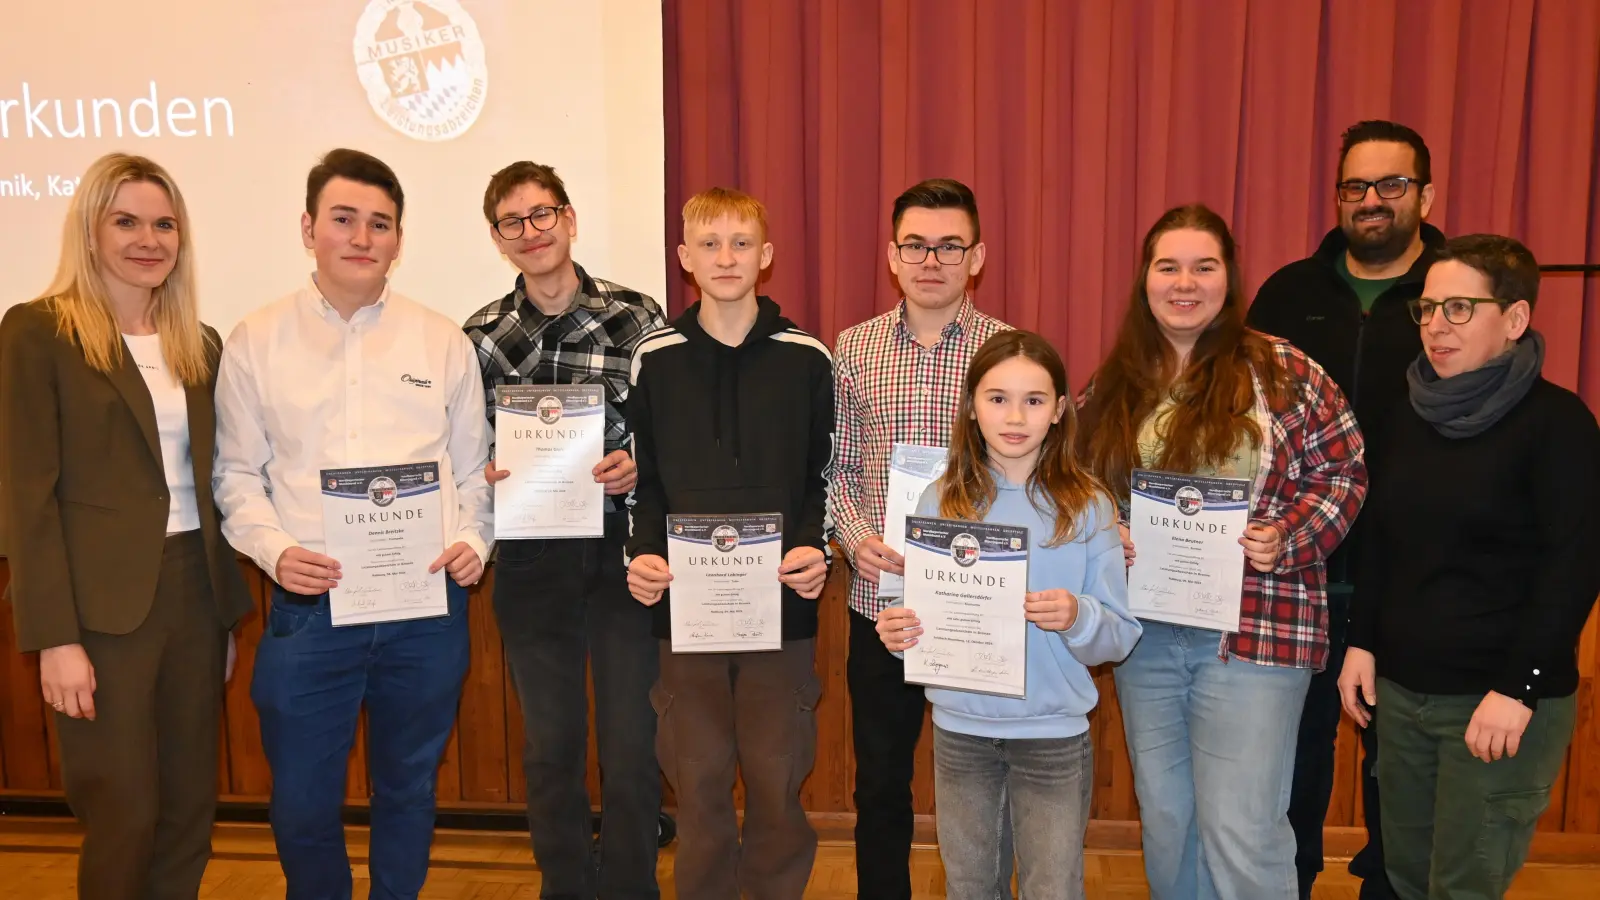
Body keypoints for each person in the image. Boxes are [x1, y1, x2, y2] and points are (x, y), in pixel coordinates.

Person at [213, 148, 492, 900]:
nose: (362, 237)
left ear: (399, 239)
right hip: (311, 612)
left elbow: (473, 472)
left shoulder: (441, 340)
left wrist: (473, 539)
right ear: (308, 229)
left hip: (424, 611)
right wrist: (276, 553)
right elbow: (235, 477)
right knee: (302, 805)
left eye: (380, 223)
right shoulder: (256, 340)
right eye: (343, 219)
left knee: (408, 791)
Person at [1078, 203, 1367, 899]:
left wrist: (1286, 535)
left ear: (1228, 278)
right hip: (1147, 634)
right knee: (1170, 820)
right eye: (1168, 266)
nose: (1185, 282)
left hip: (1256, 634)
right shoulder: (1115, 383)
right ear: (1145, 280)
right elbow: (1078, 488)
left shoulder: (1283, 368)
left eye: (1203, 267)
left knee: (1242, 827)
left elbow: (1345, 470)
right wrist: (1105, 531)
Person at [0, 152, 251, 899]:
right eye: (128, 221)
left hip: (193, 602)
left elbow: (211, 487)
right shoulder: (36, 333)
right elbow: (25, 497)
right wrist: (54, 637)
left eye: (165, 223)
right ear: (91, 230)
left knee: (187, 813)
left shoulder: (197, 344)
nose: (150, 239)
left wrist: (224, 616)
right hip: (98, 616)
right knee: (124, 813)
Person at [1340, 234, 1600, 900]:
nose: (1435, 326)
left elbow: (1574, 567)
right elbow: (1379, 540)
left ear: (1514, 320)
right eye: (1426, 309)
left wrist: (1520, 688)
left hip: (1497, 700)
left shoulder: (1559, 424)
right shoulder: (1406, 417)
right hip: (1401, 694)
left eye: (1459, 308)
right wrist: (1363, 641)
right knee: (1404, 873)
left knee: (1464, 884)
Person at [874, 330, 1141, 899]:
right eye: (997, 398)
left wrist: (1078, 616)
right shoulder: (938, 500)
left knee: (1052, 887)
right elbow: (904, 601)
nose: (1015, 415)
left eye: (1034, 400)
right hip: (960, 734)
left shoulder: (1090, 506)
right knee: (969, 885)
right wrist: (897, 626)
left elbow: (1118, 637)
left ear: (1060, 410)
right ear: (971, 407)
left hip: (1054, 739)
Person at [1248, 120, 1443, 900]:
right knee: (1292, 764)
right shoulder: (1288, 293)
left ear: (1426, 195)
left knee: (1400, 772)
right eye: (1354, 188)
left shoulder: (1452, 296)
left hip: (1412, 574)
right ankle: (1291, 884)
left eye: (1390, 186)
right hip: (1297, 573)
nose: (1371, 202)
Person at [463, 161, 667, 899]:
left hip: (621, 549)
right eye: (513, 222)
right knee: (550, 747)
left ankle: (631, 887)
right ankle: (567, 887)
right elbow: (466, 446)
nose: (532, 231)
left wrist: (635, 463)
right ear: (498, 239)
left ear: (570, 219)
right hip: (529, 557)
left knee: (631, 743)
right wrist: (486, 471)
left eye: (542, 214)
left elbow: (668, 430)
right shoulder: (480, 336)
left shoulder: (639, 316)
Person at [624, 187, 833, 899]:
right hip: (685, 613)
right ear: (684, 258)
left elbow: (822, 477)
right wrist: (643, 556)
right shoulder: (654, 358)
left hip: (783, 610)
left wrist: (815, 551)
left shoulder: (807, 357)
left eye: (741, 242)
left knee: (777, 781)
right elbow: (645, 483)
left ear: (766, 256)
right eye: (709, 244)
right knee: (700, 778)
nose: (725, 257)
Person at [828, 177, 1009, 898]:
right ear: (893, 255)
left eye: (948, 245)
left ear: (977, 256)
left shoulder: (1008, 351)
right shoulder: (855, 348)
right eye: (916, 245)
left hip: (980, 600)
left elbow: (1034, 476)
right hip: (884, 602)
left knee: (984, 776)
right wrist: (854, 534)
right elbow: (836, 466)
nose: (931, 260)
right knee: (880, 780)